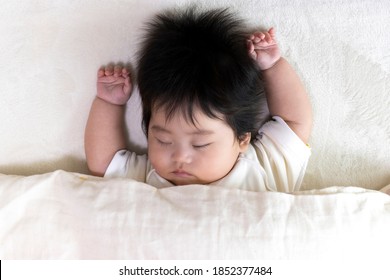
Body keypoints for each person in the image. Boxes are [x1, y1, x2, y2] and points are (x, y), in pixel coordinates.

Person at [84, 8, 312, 192]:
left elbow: (294, 123)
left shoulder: (260, 171)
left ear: (242, 139)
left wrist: (272, 67)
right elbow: (104, 163)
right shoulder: (147, 179)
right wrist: (109, 104)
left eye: (200, 144)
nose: (180, 157)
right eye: (163, 140)